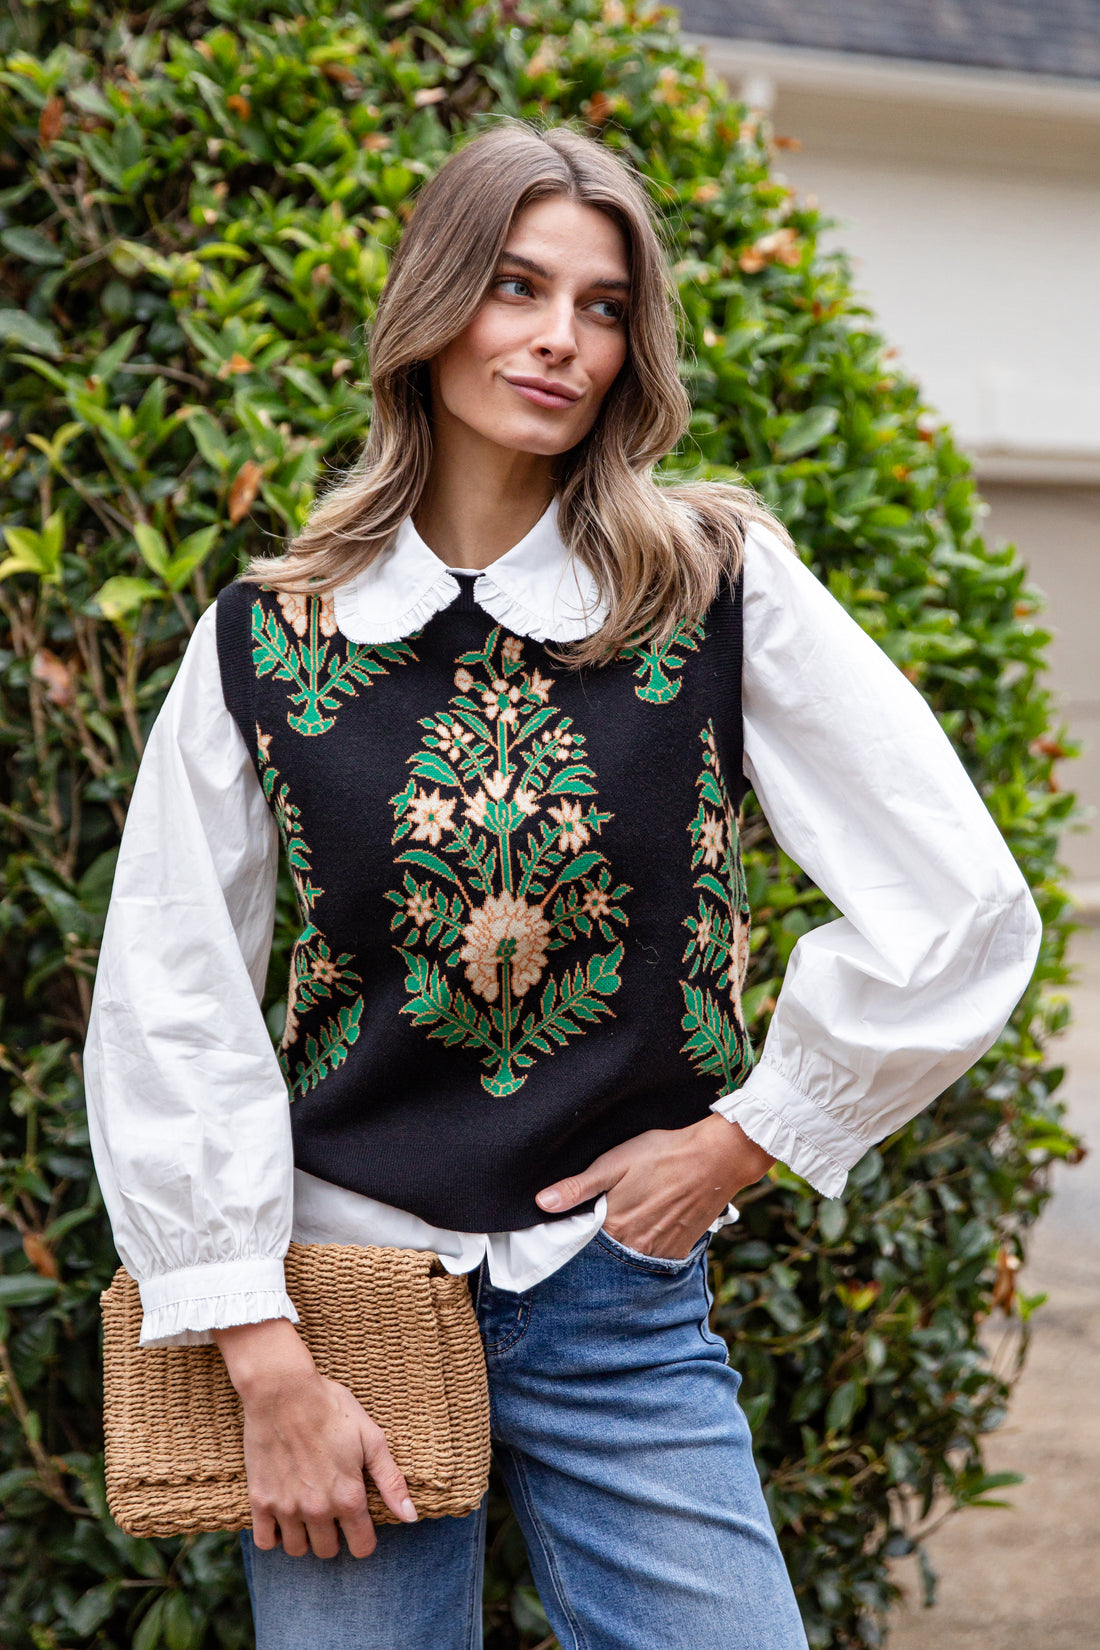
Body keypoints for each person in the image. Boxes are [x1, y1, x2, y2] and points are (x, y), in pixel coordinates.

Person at [84, 119, 1041, 1650]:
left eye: (602, 306)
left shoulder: (717, 589)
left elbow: (959, 897)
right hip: (341, 1314)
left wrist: (742, 1142)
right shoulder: (267, 639)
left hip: (618, 1306)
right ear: (435, 302)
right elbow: (168, 996)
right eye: (518, 286)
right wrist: (263, 1362)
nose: (560, 340)